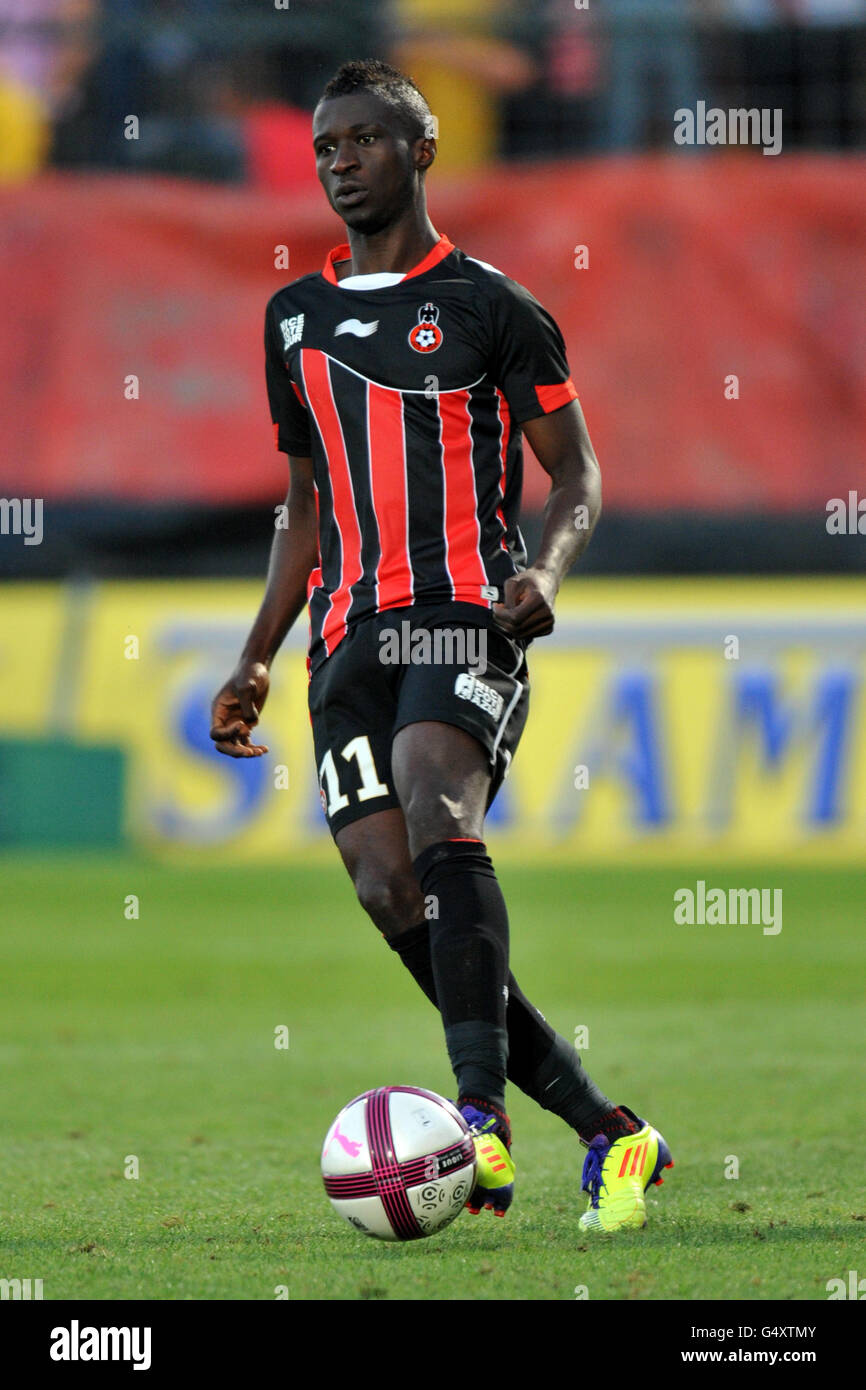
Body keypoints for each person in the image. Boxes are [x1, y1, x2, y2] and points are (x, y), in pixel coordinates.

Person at [210, 58, 672, 1233]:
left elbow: (576, 473)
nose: (339, 162)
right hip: (345, 638)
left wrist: (543, 570)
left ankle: (477, 1116)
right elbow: (302, 506)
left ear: (419, 150)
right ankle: (611, 1134)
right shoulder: (294, 320)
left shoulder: (489, 305)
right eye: (325, 147)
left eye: (363, 141)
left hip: (463, 610)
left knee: (435, 798)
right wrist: (259, 652)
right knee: (384, 886)